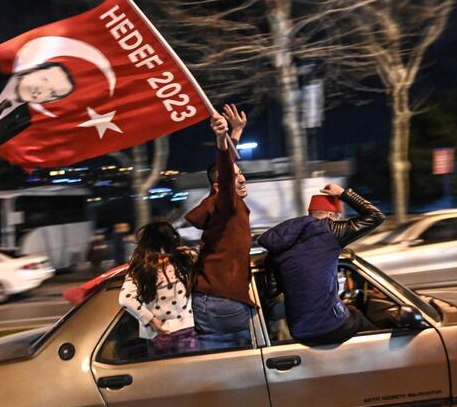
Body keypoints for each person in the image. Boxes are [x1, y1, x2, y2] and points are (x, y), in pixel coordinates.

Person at [258, 184, 386, 346]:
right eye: (338, 218)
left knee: (348, 310)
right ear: (331, 215)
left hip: (299, 332)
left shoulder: (276, 246)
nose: (339, 221)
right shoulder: (329, 230)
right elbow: (376, 216)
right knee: (372, 329)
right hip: (330, 327)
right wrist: (342, 193)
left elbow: (272, 293)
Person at [184, 104, 256, 349]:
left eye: (242, 173)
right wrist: (221, 139)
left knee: (216, 370)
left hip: (209, 299)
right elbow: (225, 173)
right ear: (220, 188)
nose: (243, 178)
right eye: (237, 176)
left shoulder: (218, 205)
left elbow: (227, 171)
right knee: (241, 371)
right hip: (224, 300)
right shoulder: (227, 205)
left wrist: (235, 133)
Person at [118, 222, 198, 355]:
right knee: (189, 373)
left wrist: (151, 320)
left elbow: (125, 299)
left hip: (158, 333)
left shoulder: (141, 268)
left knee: (163, 374)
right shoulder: (184, 259)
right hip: (186, 329)